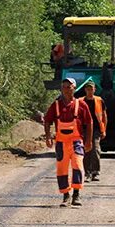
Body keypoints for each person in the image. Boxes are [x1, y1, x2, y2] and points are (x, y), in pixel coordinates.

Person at [44, 77, 93, 206]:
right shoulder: (56, 105)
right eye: (64, 87)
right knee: (62, 169)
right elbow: (47, 120)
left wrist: (88, 141)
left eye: (69, 86)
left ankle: (76, 195)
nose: (66, 89)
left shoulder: (81, 104)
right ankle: (66, 196)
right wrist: (48, 137)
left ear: (74, 88)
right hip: (61, 143)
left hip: (77, 142)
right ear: (61, 89)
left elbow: (89, 123)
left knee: (78, 166)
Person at [81, 80, 107, 181]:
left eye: (91, 89)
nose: (90, 91)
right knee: (86, 150)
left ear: (95, 90)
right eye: (88, 89)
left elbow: (104, 116)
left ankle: (95, 172)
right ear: (85, 90)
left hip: (96, 129)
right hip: (84, 129)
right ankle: (87, 173)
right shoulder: (81, 101)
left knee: (95, 149)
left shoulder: (99, 100)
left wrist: (103, 129)